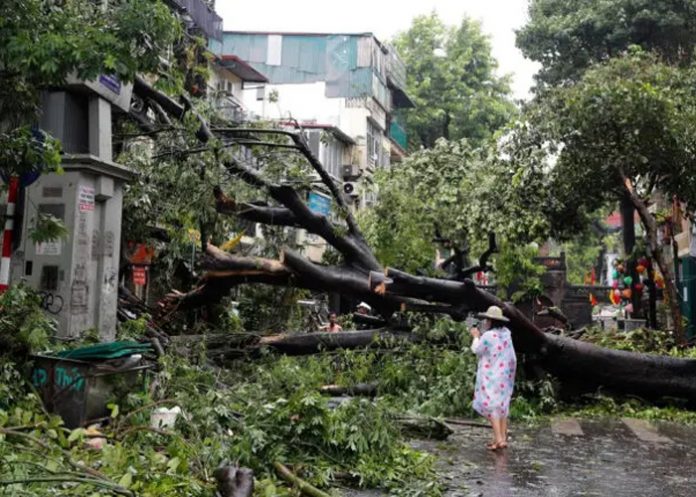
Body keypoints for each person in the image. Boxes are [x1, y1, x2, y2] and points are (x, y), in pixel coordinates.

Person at [469, 305, 516, 450]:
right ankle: (501, 438)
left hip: (491, 375)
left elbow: (477, 350)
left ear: (490, 321)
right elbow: (512, 357)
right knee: (502, 407)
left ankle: (499, 439)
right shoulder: (507, 334)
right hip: (505, 376)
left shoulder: (488, 336)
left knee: (492, 407)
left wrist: (476, 337)